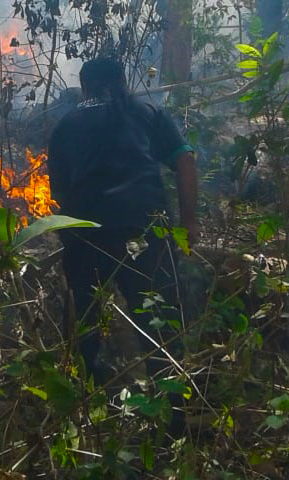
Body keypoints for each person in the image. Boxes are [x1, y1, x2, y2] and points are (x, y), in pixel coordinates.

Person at [47, 57, 198, 382]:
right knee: (159, 321)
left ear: (84, 87)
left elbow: (58, 193)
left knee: (85, 322)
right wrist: (188, 223)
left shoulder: (66, 124)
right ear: (124, 82)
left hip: (85, 233)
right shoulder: (146, 112)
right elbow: (184, 159)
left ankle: (89, 402)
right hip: (143, 226)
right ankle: (173, 414)